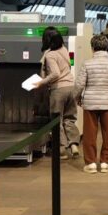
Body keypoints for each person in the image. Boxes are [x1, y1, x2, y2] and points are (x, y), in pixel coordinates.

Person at [75, 34, 108, 174]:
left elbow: (79, 85)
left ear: (92, 48)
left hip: (90, 103)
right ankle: (104, 162)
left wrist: (77, 98)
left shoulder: (87, 64)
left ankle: (90, 163)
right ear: (107, 47)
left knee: (90, 134)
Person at [35, 29, 81, 160]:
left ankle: (61, 149)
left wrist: (41, 82)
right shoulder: (64, 49)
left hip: (58, 90)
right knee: (70, 118)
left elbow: (55, 74)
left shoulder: (50, 55)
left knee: (57, 120)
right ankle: (73, 145)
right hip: (71, 87)